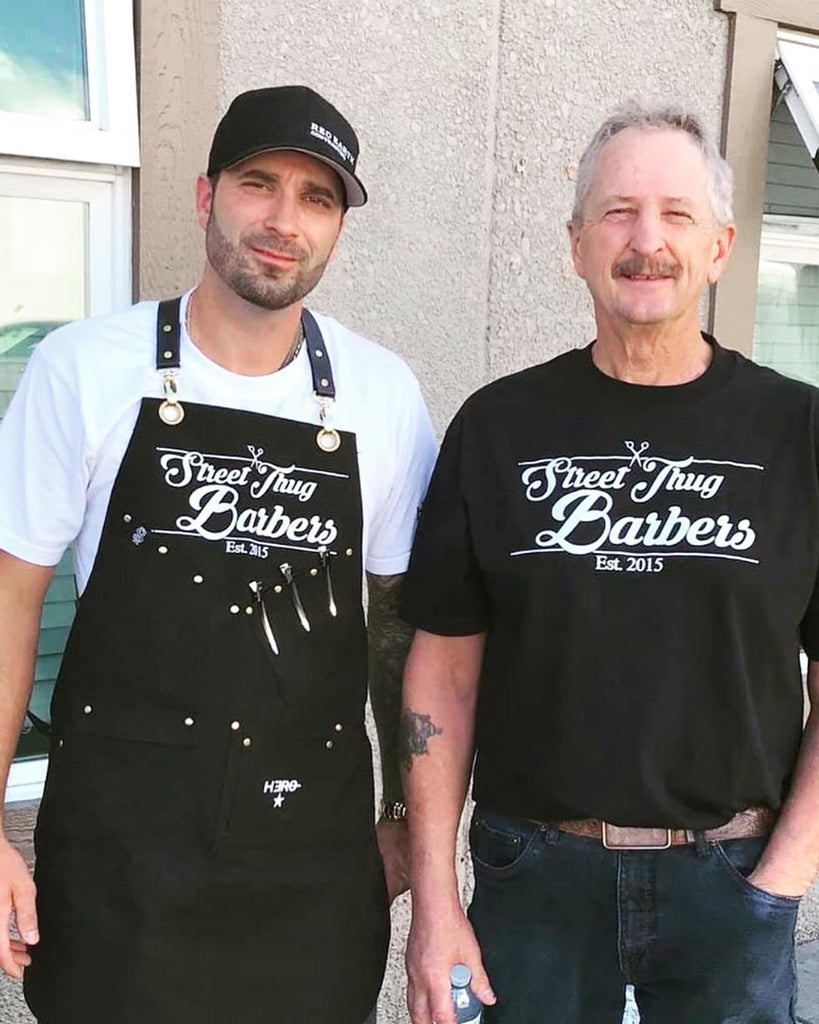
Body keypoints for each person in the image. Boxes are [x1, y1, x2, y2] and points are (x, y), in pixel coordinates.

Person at [0, 84, 436, 1024]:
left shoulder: (383, 395)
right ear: (205, 196)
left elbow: (403, 627)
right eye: (258, 184)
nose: (284, 220)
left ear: (338, 228)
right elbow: (8, 605)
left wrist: (410, 819)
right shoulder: (82, 368)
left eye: (317, 198)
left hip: (308, 860)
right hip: (120, 853)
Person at [399, 106, 819, 1024]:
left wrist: (782, 876)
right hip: (534, 874)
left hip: (732, 874)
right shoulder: (498, 427)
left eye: (676, 214)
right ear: (576, 245)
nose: (646, 241)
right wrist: (436, 900)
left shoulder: (797, 433)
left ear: (717, 247)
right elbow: (443, 672)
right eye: (618, 212)